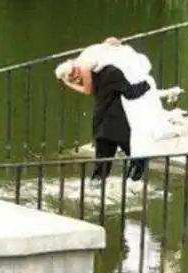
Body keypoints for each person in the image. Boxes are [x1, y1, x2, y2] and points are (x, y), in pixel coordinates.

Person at [58, 39, 150, 181]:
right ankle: (132, 177)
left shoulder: (91, 71)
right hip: (117, 123)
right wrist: (147, 85)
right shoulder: (102, 67)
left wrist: (68, 84)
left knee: (101, 168)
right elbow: (130, 93)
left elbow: (88, 90)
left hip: (102, 125)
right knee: (137, 155)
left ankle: (99, 185)